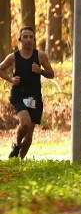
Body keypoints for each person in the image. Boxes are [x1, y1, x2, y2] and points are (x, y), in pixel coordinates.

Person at [1, 27, 55, 159]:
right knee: (24, 123)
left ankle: (20, 160)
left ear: (34, 39)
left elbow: (51, 74)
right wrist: (11, 79)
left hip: (35, 96)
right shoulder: (13, 57)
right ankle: (17, 144)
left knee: (29, 133)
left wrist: (41, 71)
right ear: (20, 40)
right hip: (19, 95)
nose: (29, 40)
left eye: (31, 37)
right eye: (25, 37)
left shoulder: (40, 56)